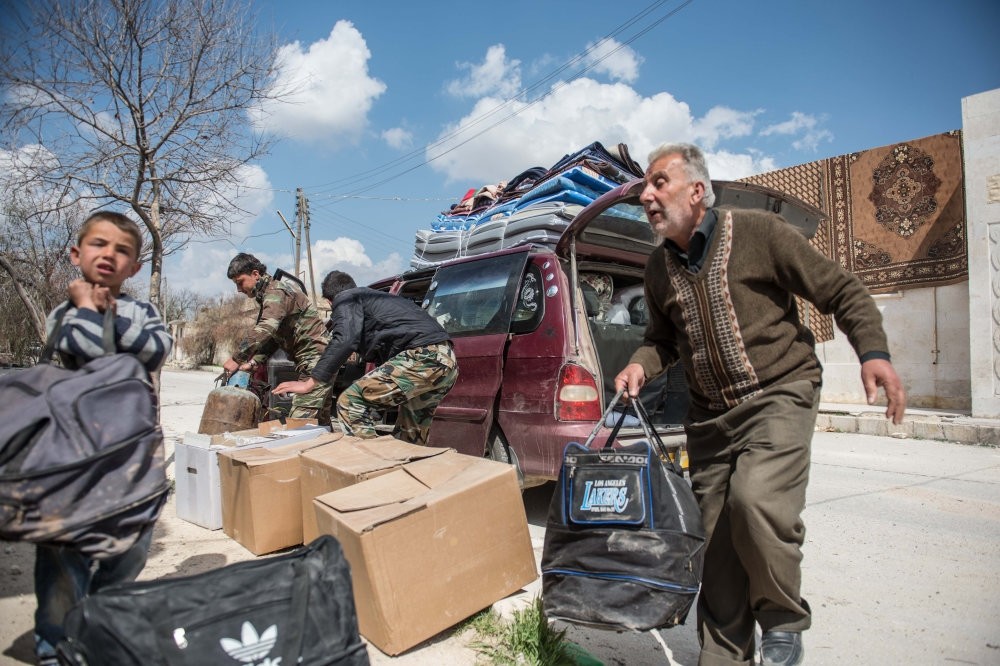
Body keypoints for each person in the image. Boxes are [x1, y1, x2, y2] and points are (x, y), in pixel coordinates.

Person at [614, 143, 906, 666]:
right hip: (709, 420)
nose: (646, 194)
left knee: (755, 503)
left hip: (779, 394)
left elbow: (840, 290)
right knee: (716, 548)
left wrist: (874, 351)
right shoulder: (658, 270)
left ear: (697, 191)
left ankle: (783, 621)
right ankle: (725, 657)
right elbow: (660, 340)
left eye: (659, 182)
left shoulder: (759, 233)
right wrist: (640, 364)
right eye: (645, 187)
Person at [35, 210, 173, 665]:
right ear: (77, 254)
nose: (109, 255)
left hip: (133, 457)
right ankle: (56, 645)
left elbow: (155, 349)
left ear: (135, 266)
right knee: (63, 557)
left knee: (130, 551)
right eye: (98, 244)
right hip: (71, 460)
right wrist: (89, 308)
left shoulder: (143, 311)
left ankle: (101, 628)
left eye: (123, 250)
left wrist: (101, 310)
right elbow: (90, 352)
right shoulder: (62, 312)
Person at [274, 270, 458, 445]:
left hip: (423, 356)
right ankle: (404, 471)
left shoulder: (346, 298)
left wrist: (310, 382)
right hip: (446, 360)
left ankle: (371, 465)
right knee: (411, 431)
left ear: (330, 301)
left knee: (350, 402)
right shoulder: (379, 299)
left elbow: (345, 339)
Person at [224, 253, 332, 423]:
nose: (239, 289)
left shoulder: (276, 291)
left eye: (240, 282)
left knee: (299, 424)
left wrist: (237, 358)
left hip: (315, 360)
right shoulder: (269, 295)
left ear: (255, 274)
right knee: (321, 424)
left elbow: (266, 328)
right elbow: (274, 337)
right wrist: (254, 362)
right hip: (316, 360)